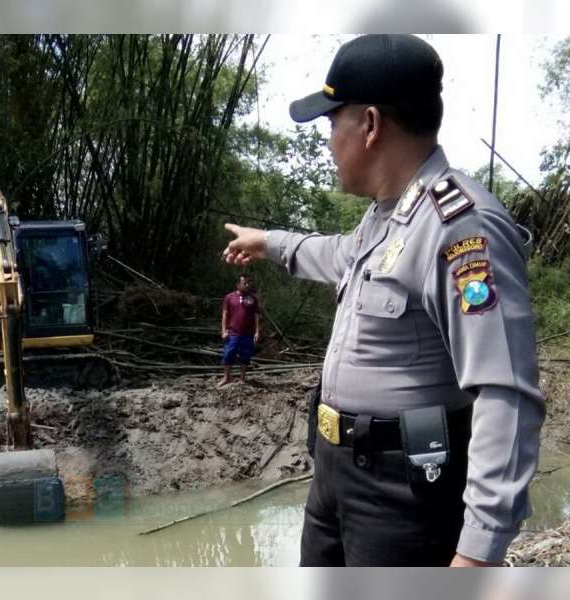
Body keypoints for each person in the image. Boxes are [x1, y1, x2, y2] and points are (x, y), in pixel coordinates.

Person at [221, 34, 545, 567]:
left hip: (403, 494)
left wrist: (477, 553)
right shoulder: (386, 217)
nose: (328, 142)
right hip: (336, 474)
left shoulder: (461, 227)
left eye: (332, 123)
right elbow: (337, 254)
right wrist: (269, 242)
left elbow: (506, 392)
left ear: (370, 124)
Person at [218, 274, 261, 388]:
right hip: (233, 332)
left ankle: (242, 378)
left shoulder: (253, 299)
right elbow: (225, 314)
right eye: (244, 283)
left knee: (245, 356)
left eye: (248, 283)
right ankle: (227, 377)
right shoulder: (229, 297)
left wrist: (257, 331)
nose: (247, 285)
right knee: (228, 354)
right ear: (237, 285)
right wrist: (223, 331)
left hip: (248, 333)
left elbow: (256, 315)